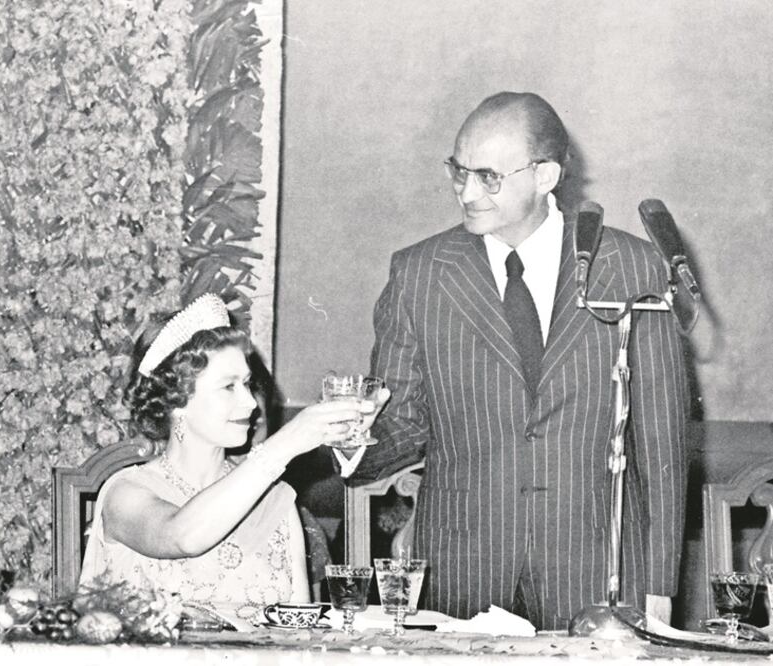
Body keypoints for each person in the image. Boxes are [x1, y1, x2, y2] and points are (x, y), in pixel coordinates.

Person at [352, 92, 687, 630]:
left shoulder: (632, 268)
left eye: (487, 176)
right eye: (457, 171)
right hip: (462, 573)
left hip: (598, 577)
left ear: (546, 175)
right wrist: (348, 442)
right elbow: (402, 423)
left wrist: (660, 589)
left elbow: (663, 446)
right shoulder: (419, 274)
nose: (465, 191)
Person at [79, 294, 379, 619]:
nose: (251, 403)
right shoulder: (126, 494)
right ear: (176, 401)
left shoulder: (275, 500)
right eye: (228, 387)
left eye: (247, 385)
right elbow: (184, 537)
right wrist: (287, 442)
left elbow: (297, 631)